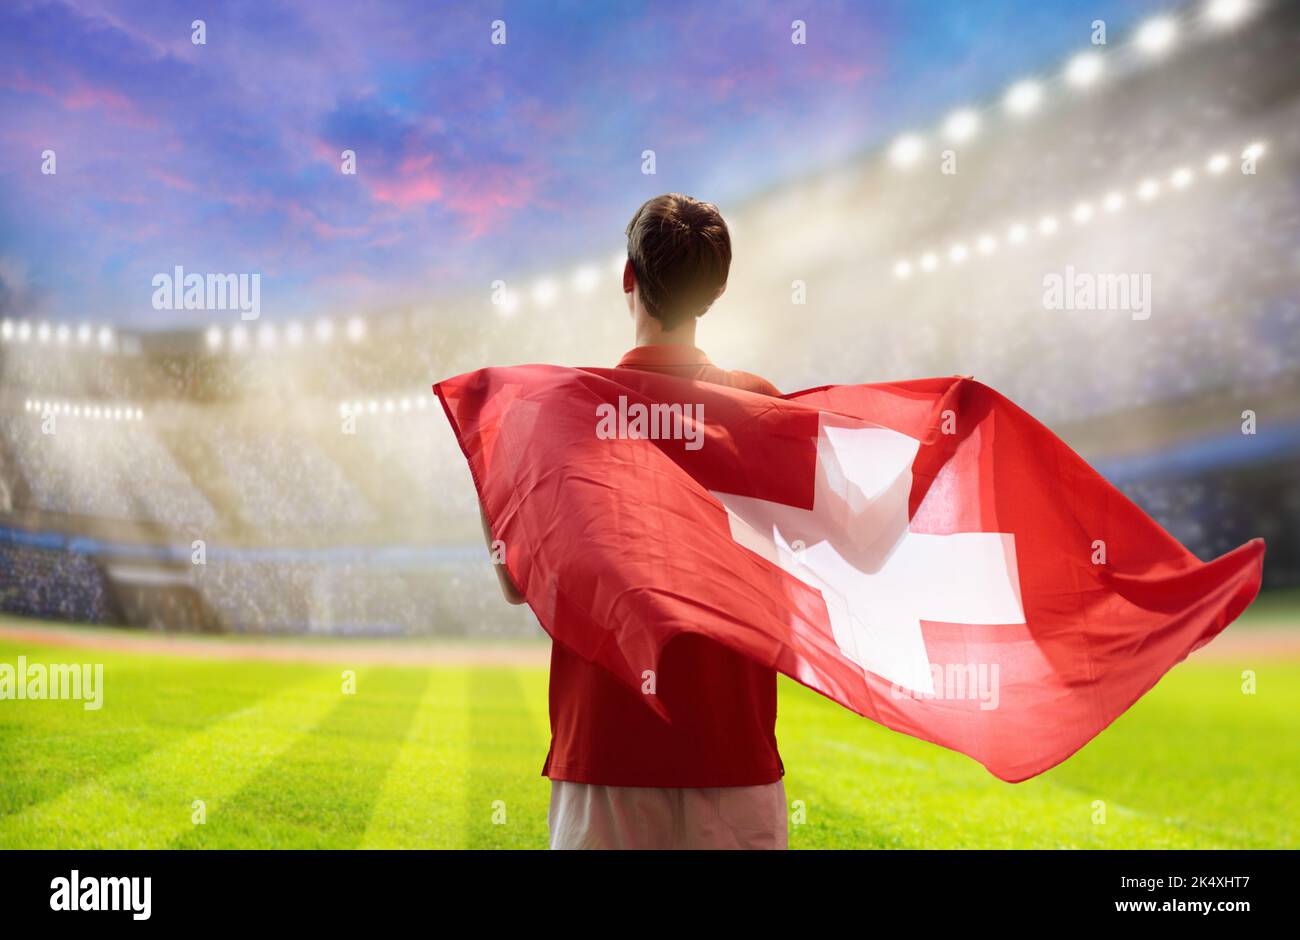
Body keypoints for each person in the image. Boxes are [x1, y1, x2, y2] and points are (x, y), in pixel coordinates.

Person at [481, 193, 786, 849]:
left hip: (606, 748)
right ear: (719, 288)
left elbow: (514, 582)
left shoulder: (561, 414)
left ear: (627, 276)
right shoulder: (760, 409)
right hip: (732, 747)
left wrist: (494, 478)